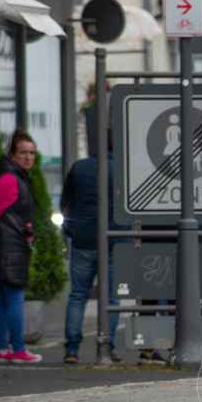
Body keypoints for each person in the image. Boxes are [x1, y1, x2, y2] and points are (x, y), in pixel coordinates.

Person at [60, 140, 125, 364]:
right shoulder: (123, 168)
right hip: (114, 241)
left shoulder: (80, 167)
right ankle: (109, 346)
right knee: (112, 299)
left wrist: (71, 230)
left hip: (83, 240)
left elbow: (65, 203)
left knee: (78, 296)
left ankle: (71, 349)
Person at [0, 131, 43, 363]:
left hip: (5, 246)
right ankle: (16, 349)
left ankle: (3, 349)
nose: (29, 157)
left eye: (31, 153)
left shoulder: (14, 176)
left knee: (4, 300)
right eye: (23, 153)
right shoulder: (10, 179)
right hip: (9, 247)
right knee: (14, 298)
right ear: (12, 155)